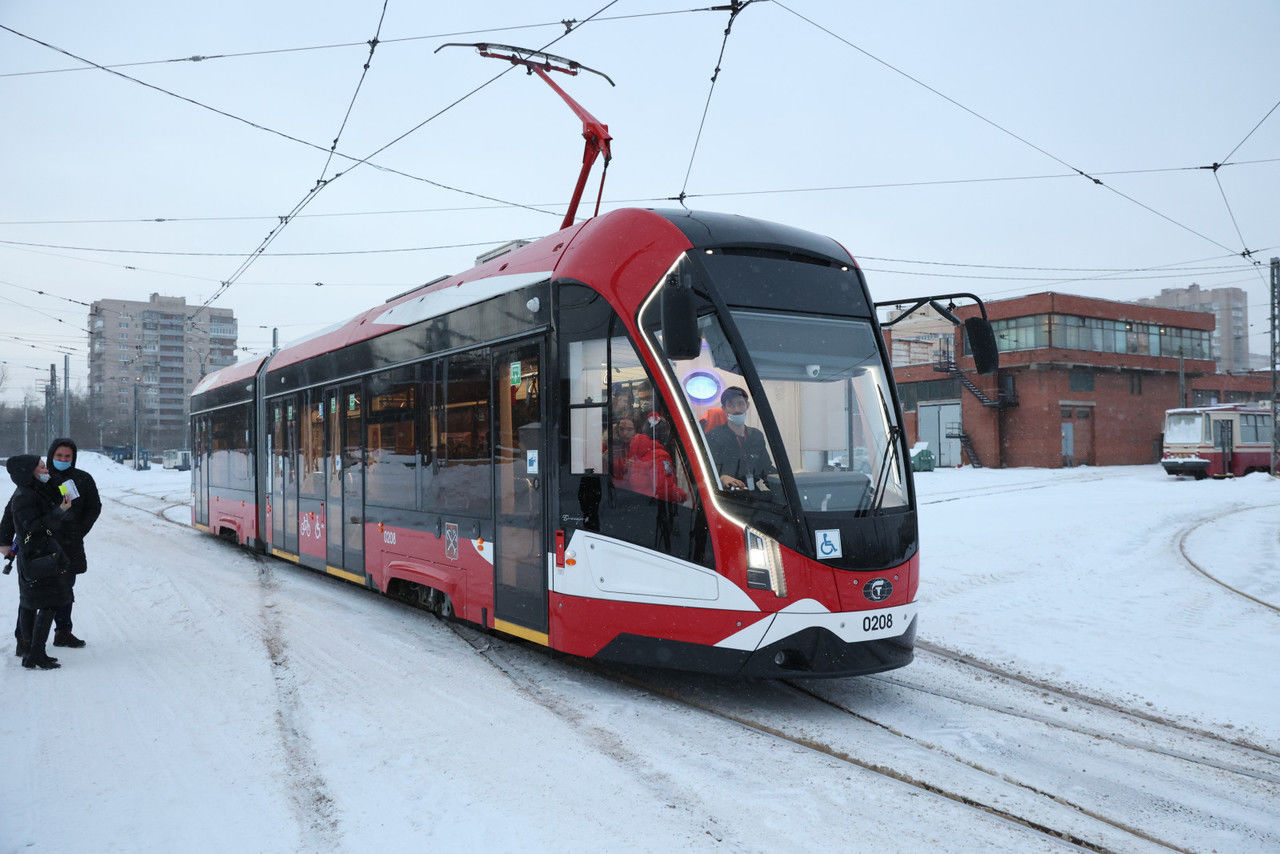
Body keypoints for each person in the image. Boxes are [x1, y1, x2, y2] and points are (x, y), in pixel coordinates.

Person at [5, 455, 73, 669]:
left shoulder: (32, 490)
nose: (46, 471)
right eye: (41, 467)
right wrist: (60, 512)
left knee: (30, 602)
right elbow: (34, 527)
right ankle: (35, 653)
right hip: (37, 556)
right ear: (29, 472)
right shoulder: (24, 496)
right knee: (47, 603)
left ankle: (31, 653)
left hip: (35, 555)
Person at [42, 438, 101, 647]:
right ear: (51, 455)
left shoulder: (82, 479)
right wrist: (5, 538)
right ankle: (25, 636)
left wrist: (79, 530)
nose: (63, 459)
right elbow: (15, 508)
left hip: (70, 544)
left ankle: (63, 632)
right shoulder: (40, 478)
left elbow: (94, 507)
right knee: (37, 590)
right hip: (41, 544)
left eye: (68, 456)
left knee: (66, 588)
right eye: (59, 456)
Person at [705, 386, 774, 491]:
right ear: (724, 408)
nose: (736, 409)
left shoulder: (756, 435)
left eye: (740, 404)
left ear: (747, 405)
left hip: (752, 493)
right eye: (731, 405)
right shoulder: (714, 436)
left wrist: (786, 483)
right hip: (726, 494)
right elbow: (705, 470)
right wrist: (722, 478)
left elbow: (766, 468)